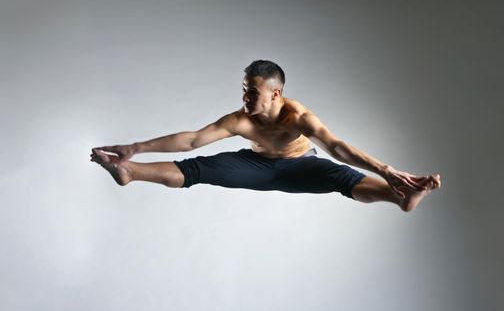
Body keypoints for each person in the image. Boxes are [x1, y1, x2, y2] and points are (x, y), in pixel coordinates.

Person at [91, 60, 440, 212]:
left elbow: (335, 147)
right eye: (243, 90)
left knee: (344, 179)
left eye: (252, 92)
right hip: (256, 165)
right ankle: (129, 172)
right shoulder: (241, 120)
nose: (245, 99)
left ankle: (402, 197)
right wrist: (134, 148)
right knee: (196, 167)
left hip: (300, 166)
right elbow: (192, 139)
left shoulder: (298, 117)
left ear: (275, 94)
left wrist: (387, 170)